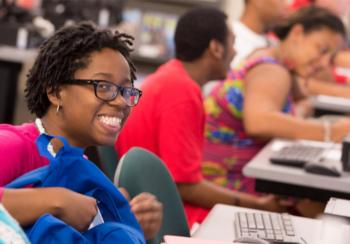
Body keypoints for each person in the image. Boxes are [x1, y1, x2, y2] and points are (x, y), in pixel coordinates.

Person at [116, 7, 289, 228]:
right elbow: (186, 186)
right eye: (232, 43)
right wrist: (257, 205)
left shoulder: (172, 74)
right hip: (171, 215)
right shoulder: (182, 91)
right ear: (216, 48)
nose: (235, 52)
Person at [0, 22, 162, 240]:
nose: (122, 101)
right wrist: (56, 201)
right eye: (103, 86)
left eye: (126, 90)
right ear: (56, 92)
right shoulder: (13, 145)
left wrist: (130, 224)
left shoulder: (83, 167)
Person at [202, 6, 350, 217]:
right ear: (297, 33)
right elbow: (260, 122)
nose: (325, 63)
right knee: (335, 213)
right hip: (237, 189)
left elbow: (302, 97)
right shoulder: (271, 70)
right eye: (322, 49)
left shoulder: (271, 58)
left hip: (236, 180)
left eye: (331, 57)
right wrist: (329, 131)